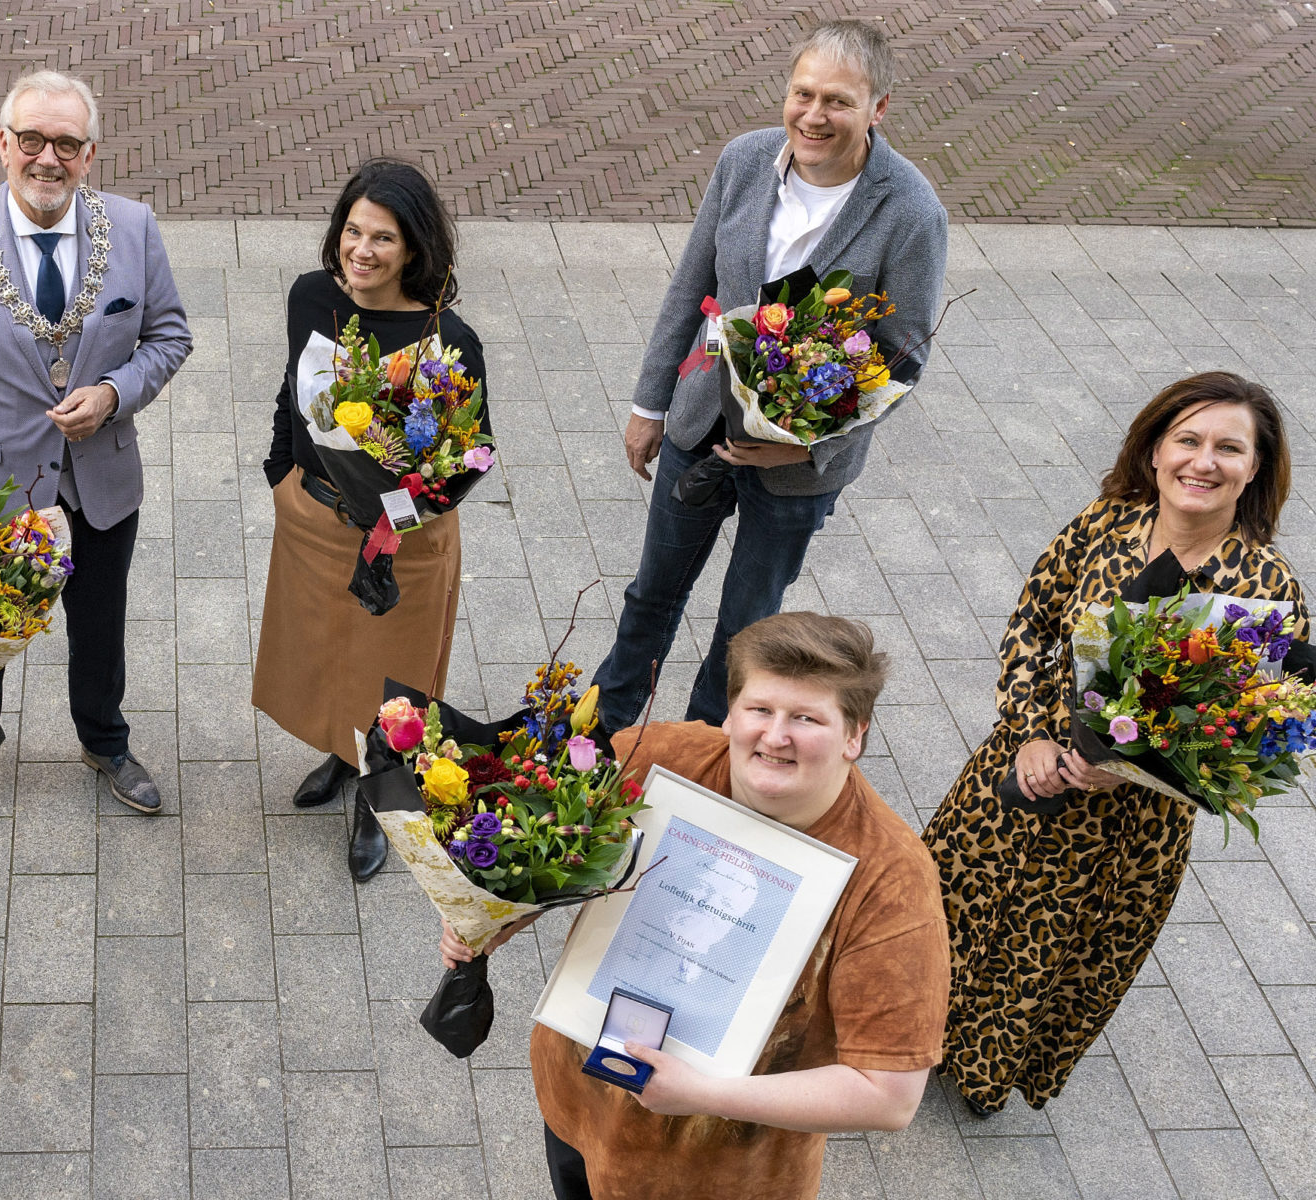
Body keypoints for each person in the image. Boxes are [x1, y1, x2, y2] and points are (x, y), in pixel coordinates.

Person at [443, 612, 949, 1200]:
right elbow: (557, 855)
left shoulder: (893, 882)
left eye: (806, 718)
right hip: (578, 1098)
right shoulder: (661, 758)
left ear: (855, 735)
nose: (776, 736)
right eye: (760, 709)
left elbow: (889, 1095)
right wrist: (501, 912)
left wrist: (704, 1095)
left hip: (719, 1171)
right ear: (731, 712)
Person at [925, 371, 1303, 1116]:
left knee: (1052, 954)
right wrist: (1030, 732)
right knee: (951, 902)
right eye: (1188, 439)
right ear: (1157, 449)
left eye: (1229, 448)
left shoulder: (1265, 590)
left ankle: (982, 1068)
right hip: (1020, 775)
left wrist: (1131, 770)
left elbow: (1252, 732)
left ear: (1255, 468)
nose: (1204, 461)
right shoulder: (1107, 522)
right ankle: (901, 1027)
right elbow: (1033, 622)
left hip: (1128, 829)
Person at [592, 20, 948, 732]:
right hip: (700, 424)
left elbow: (902, 355)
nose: (814, 116)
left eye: (838, 102)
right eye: (803, 94)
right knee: (650, 598)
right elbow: (690, 283)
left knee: (746, 626)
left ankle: (697, 750)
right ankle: (600, 732)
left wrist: (810, 446)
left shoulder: (910, 211)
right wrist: (649, 403)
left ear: (878, 108)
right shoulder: (745, 159)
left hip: (796, 470)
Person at [0, 69, 191, 816]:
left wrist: (113, 393)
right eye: (31, 139)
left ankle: (103, 741)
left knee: (100, 626)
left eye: (66, 143)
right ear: (3, 145)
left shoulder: (132, 229)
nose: (47, 158)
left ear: (89, 155)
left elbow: (169, 335)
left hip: (101, 481)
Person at [251, 158, 487, 881]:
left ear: (412, 247)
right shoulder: (310, 297)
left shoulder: (451, 341)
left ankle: (378, 801)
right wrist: (281, 473)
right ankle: (340, 754)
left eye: (382, 238)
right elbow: (293, 387)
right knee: (325, 657)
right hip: (315, 523)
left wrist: (391, 528)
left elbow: (470, 459)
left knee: (395, 681)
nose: (361, 250)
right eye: (352, 231)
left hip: (403, 545)